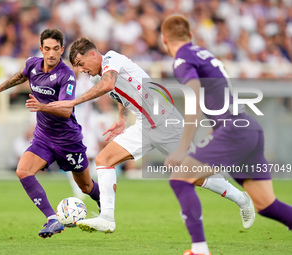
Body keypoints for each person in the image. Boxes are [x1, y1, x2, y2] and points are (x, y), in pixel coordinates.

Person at [49, 36, 255, 233]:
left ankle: (241, 199)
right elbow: (118, 93)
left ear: (92, 54)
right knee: (104, 159)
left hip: (165, 121)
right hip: (143, 126)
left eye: (80, 62)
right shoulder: (98, 77)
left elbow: (110, 84)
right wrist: (122, 118)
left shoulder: (112, 58)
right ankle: (107, 218)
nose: (81, 69)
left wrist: (73, 102)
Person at [161, 15, 292, 255]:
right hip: (248, 128)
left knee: (180, 179)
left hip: (234, 131)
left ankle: (199, 250)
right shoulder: (204, 54)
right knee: (266, 204)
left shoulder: (182, 59)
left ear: (163, 40)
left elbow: (194, 97)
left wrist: (182, 148)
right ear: (190, 36)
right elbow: (219, 100)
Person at [0, 29, 100, 239]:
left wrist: (42, 106)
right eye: (47, 49)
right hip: (44, 138)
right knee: (23, 171)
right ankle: (52, 219)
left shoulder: (66, 75)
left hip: (68, 141)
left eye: (56, 49)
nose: (51, 54)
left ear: (62, 50)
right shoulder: (33, 64)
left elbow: (66, 110)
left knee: (87, 186)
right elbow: (20, 76)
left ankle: (106, 205)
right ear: (41, 49)